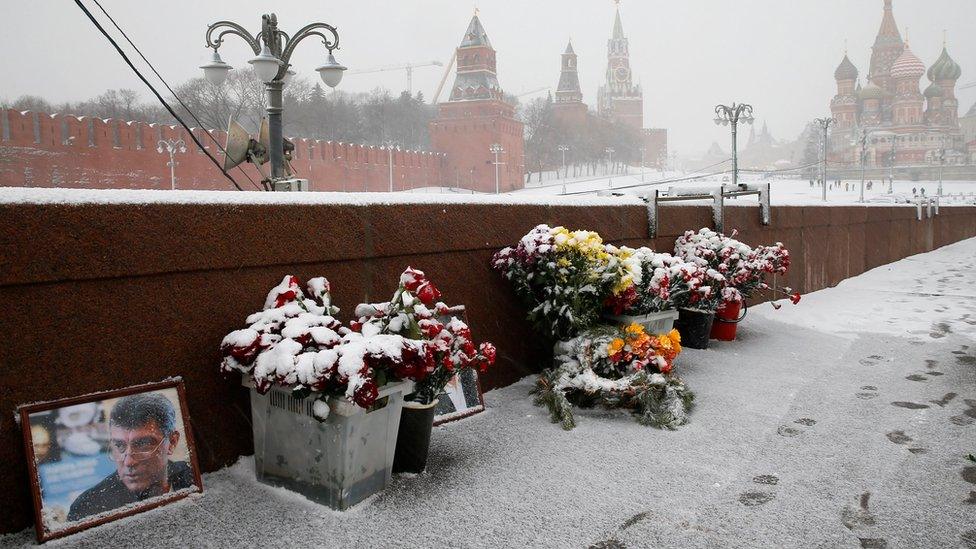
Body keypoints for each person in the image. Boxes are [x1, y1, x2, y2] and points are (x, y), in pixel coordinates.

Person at [67, 393, 194, 522]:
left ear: (172, 442)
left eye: (143, 444)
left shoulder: (193, 476)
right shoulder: (88, 509)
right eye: (119, 445)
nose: (128, 462)